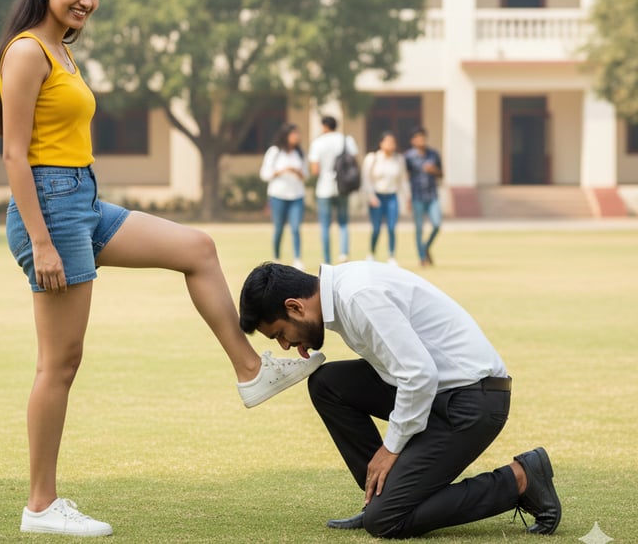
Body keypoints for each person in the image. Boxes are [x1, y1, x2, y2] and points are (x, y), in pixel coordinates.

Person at [0, 0, 324, 537]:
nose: (86, 0)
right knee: (59, 363)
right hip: (51, 211)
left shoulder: (62, 52)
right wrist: (40, 240)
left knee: (197, 248)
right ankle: (40, 506)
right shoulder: (27, 52)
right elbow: (14, 154)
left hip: (83, 200)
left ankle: (250, 371)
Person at [238, 261, 562, 539]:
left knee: (386, 522)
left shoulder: (358, 296)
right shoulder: (341, 290)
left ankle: (520, 479)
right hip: (442, 392)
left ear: (295, 307)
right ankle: (382, 494)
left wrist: (390, 448)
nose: (284, 344)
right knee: (328, 383)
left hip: (472, 402)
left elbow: (419, 375)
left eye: (280, 332)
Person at [308, 116, 359, 264]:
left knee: (325, 225)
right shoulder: (346, 140)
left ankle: (327, 258)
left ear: (324, 126)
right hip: (343, 186)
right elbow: (354, 162)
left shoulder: (318, 143)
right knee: (343, 222)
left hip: (324, 187)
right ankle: (343, 253)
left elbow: (315, 170)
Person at [259, 123, 308, 270]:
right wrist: (281, 171)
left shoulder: (299, 153)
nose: (297, 137)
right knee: (278, 227)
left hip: (296, 195)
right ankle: (276, 257)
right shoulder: (275, 152)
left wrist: (297, 172)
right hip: (278, 195)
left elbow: (306, 174)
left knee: (295, 228)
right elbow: (264, 174)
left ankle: (297, 258)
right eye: (294, 134)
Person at [361, 132, 408, 265]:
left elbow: (402, 180)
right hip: (377, 196)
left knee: (392, 227)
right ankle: (371, 252)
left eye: (392, 142)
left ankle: (391, 255)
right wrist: (370, 196)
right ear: (381, 143)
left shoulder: (399, 159)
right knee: (376, 228)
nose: (390, 145)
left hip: (392, 196)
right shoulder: (373, 158)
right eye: (387, 142)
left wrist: (406, 197)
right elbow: (366, 179)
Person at [404, 127, 442, 267]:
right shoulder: (408, 157)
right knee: (419, 228)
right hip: (417, 196)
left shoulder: (433, 154)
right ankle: (422, 258)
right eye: (418, 138)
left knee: (437, 224)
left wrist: (434, 170)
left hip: (432, 195)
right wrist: (407, 197)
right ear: (412, 141)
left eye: (423, 137)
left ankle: (426, 247)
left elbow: (441, 174)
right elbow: (405, 178)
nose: (421, 140)